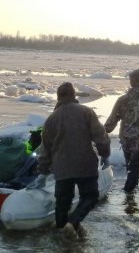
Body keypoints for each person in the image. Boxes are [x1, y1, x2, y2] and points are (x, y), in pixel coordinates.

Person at [35, 82, 111, 241]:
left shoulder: (51, 120)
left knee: (62, 204)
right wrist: (105, 154)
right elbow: (100, 137)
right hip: (85, 165)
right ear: (73, 95)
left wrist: (42, 172)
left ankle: (61, 240)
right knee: (89, 196)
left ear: (58, 97)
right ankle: (73, 222)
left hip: (62, 169)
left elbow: (45, 150)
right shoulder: (86, 112)